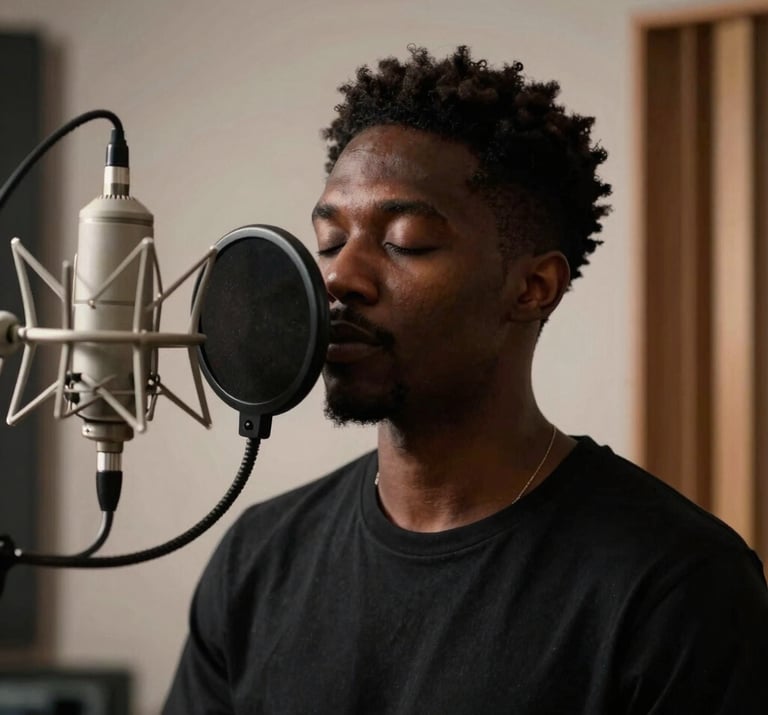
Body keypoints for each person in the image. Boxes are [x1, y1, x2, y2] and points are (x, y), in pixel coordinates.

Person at [163, 46, 768, 714]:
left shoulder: (675, 585)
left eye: (406, 241)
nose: (339, 278)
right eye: (330, 241)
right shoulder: (259, 556)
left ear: (533, 287)